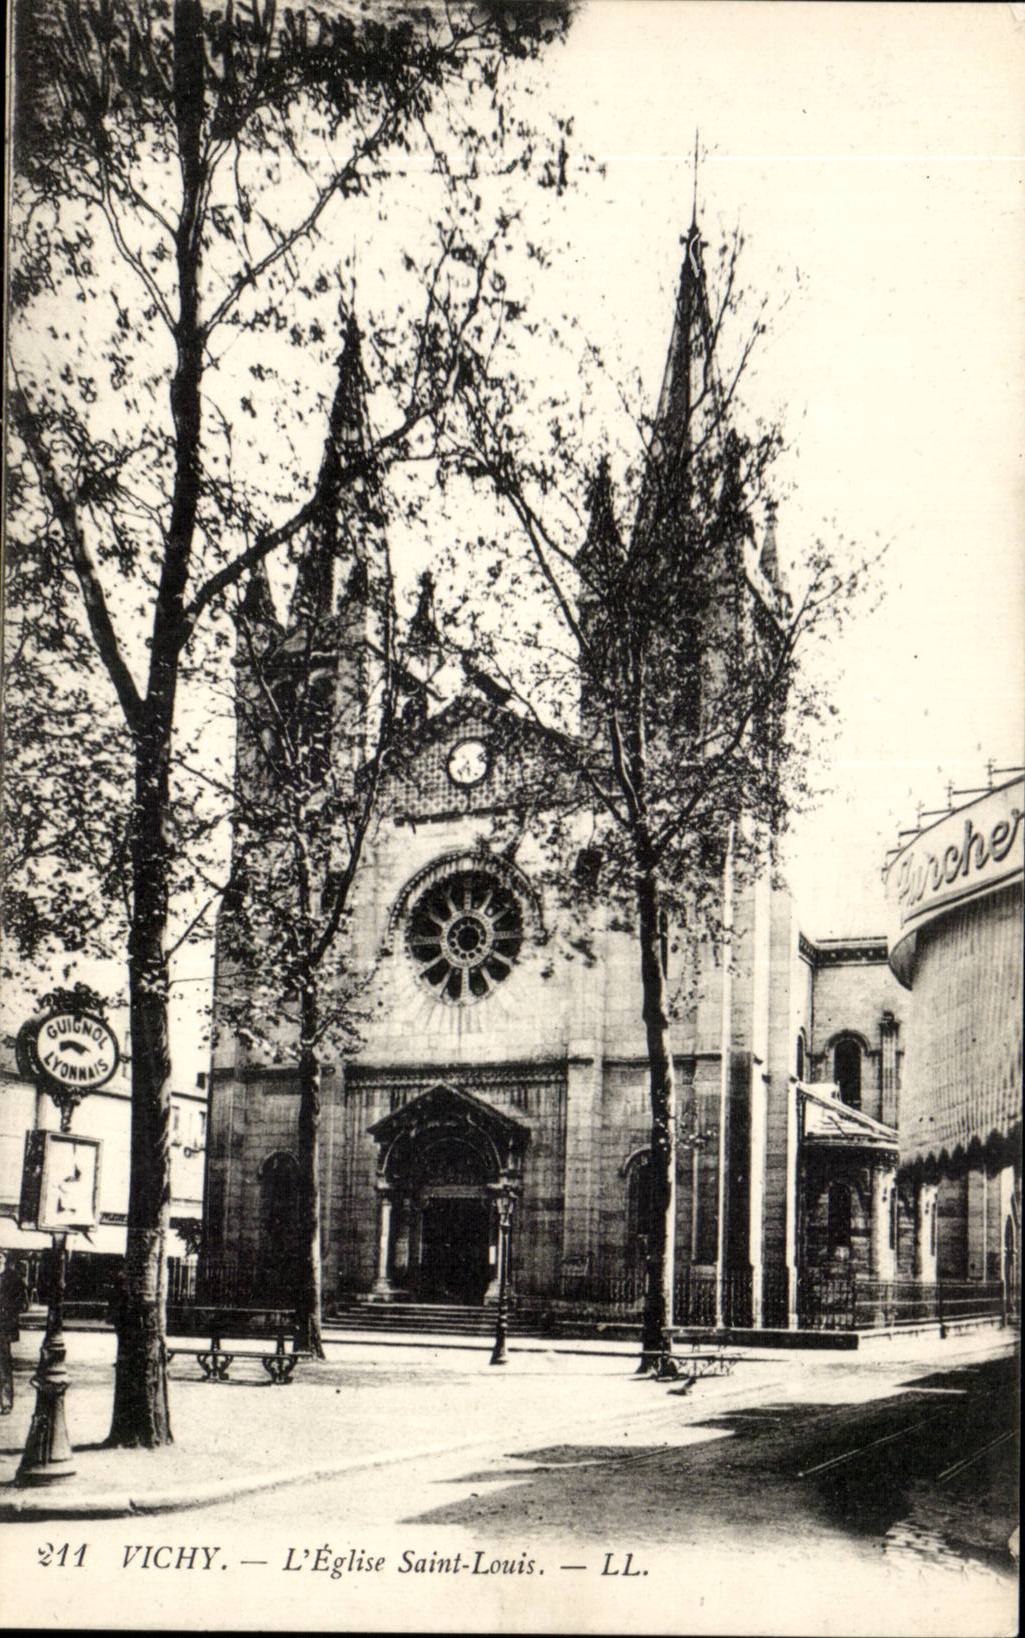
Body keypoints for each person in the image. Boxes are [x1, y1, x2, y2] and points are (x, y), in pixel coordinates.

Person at [0, 1252, 30, 1414]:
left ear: (4, 1259)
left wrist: (7, 1311)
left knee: (3, 1365)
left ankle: (6, 1402)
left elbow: (23, 1304)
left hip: (3, 1328)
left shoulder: (13, 1279)